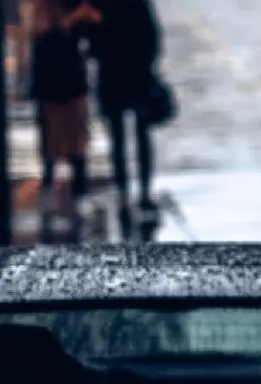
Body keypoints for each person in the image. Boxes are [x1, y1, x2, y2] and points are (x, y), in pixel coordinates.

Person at [90, 0, 162, 239]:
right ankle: (141, 191)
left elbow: (93, 41)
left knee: (119, 140)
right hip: (134, 74)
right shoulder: (138, 5)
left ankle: (126, 191)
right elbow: (152, 37)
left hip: (114, 75)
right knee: (139, 137)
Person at [30, 0, 101, 213]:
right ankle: (52, 185)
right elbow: (43, 34)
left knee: (74, 138)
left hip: (69, 81)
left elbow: (93, 32)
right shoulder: (46, 15)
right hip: (53, 81)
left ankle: (76, 188)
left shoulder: (77, 11)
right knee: (54, 138)